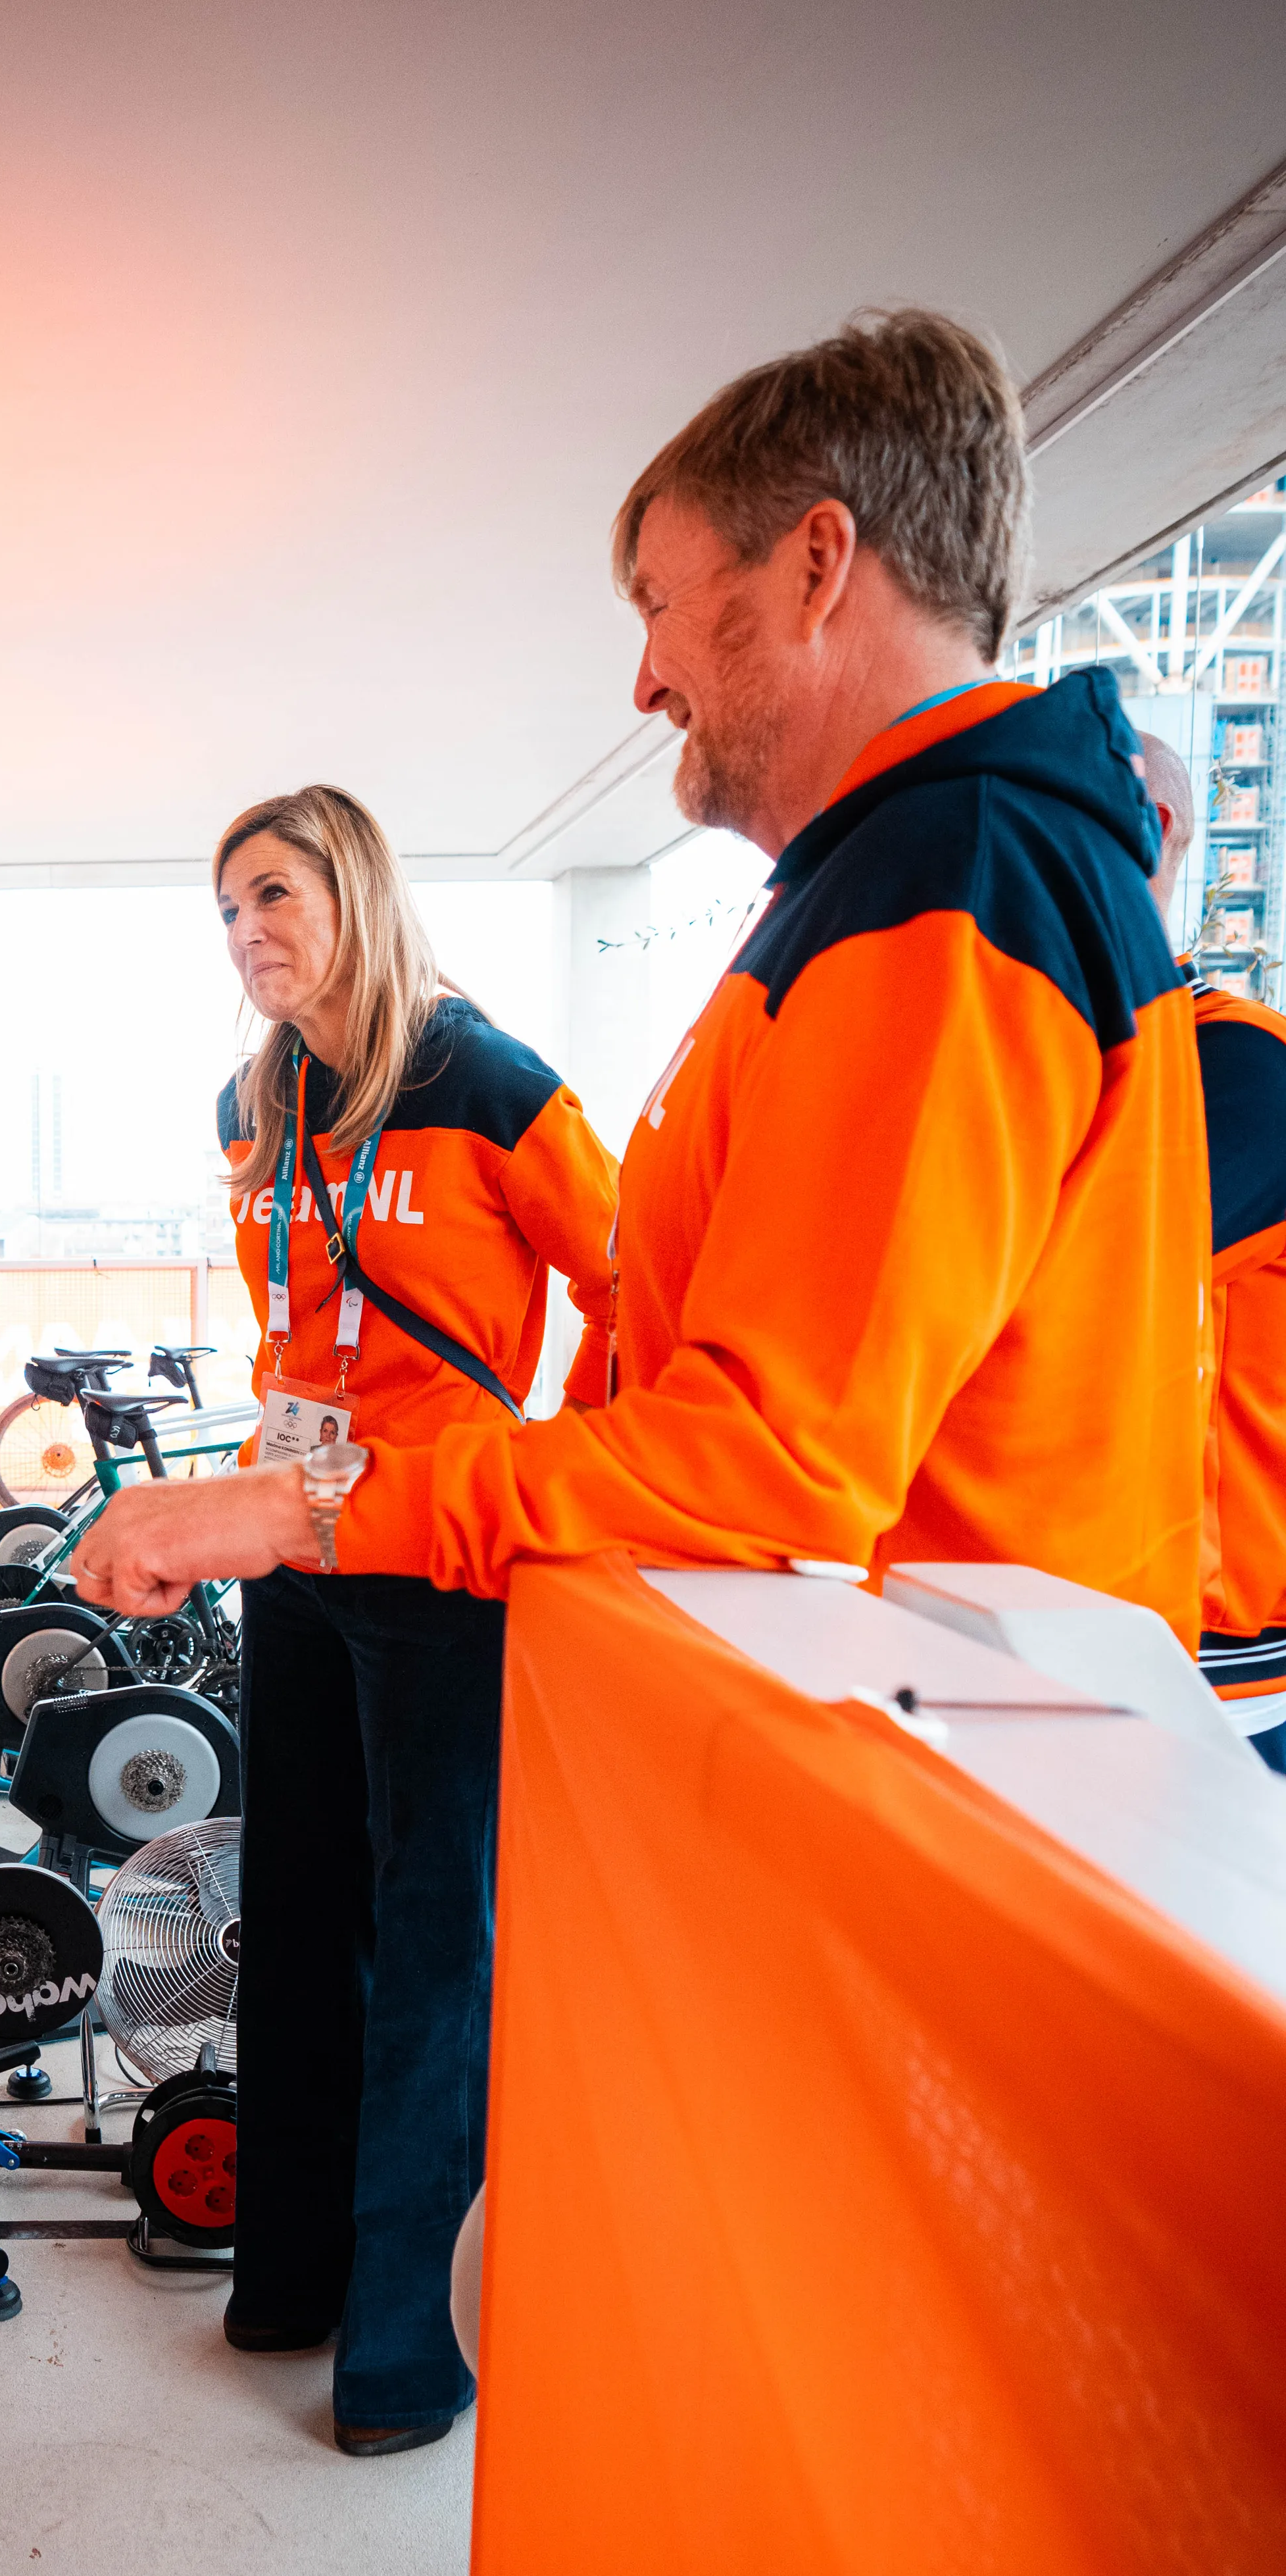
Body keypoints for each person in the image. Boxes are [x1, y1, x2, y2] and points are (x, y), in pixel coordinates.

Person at [78, 312, 1204, 1674]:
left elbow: (767, 1458)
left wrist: (296, 1508)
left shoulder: (950, 886)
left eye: (660, 605)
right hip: (919, 1723)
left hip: (955, 1753)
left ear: (816, 565)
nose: (644, 680)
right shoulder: (894, 886)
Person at [207, 785, 617, 2456]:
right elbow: (298, 1337)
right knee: (294, 1924)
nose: (248, 936)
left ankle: (402, 2353)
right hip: (298, 1553)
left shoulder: (489, 1079)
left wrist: (554, 1461)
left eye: (275, 895)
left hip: (445, 1566)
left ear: (355, 892)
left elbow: (638, 1280)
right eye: (228, 911)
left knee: (435, 1950)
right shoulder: (254, 1099)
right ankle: (289, 2280)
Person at [1137, 732, 1286, 1767]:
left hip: (1220, 1671)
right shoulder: (1069, 1070)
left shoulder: (1238, 1064)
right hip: (1058, 1629)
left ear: (1150, 833)